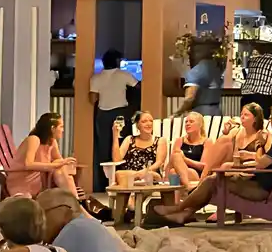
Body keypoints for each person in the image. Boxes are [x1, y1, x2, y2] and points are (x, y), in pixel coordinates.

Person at [148, 105, 272, 226]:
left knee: (212, 181)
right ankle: (184, 214)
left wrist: (258, 146)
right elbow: (264, 163)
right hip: (260, 182)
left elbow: (262, 163)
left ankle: (179, 208)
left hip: (260, 189)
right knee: (215, 180)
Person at [89, 49, 134, 189]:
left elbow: (92, 98)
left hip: (102, 114)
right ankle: (121, 180)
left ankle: (103, 183)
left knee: (103, 148)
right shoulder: (124, 74)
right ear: (117, 62)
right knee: (121, 146)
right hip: (120, 113)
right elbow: (138, 87)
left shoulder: (96, 77)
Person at [16, 113, 83, 197]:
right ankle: (75, 201)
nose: (63, 130)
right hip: (24, 182)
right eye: (61, 127)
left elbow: (59, 162)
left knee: (60, 168)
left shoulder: (51, 142)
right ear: (52, 128)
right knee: (59, 166)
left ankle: (74, 200)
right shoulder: (34, 139)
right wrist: (57, 165)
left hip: (40, 180)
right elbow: (28, 164)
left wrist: (67, 164)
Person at [111, 110, 167, 187]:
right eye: (144, 121)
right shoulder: (129, 139)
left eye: (151, 121)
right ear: (137, 125)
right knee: (118, 174)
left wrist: (144, 171)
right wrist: (115, 135)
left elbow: (159, 162)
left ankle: (130, 196)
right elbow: (117, 160)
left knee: (123, 178)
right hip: (130, 175)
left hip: (149, 175)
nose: (148, 124)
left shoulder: (160, 141)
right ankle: (131, 196)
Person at [238, 42, 272, 117]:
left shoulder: (252, 61)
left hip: (246, 97)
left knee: (247, 123)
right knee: (262, 124)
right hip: (262, 98)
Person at [178, 44, 226, 118]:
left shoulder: (196, 71)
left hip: (200, 113)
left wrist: (178, 113)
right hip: (216, 112)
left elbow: (189, 98)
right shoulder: (216, 69)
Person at [170, 112, 212, 188]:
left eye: (191, 121)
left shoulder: (207, 142)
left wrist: (185, 159)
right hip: (178, 172)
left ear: (200, 125)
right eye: (186, 122)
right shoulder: (179, 141)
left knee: (175, 171)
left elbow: (204, 166)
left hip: (196, 174)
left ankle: (181, 194)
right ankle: (188, 187)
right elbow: (173, 161)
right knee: (174, 166)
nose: (187, 124)